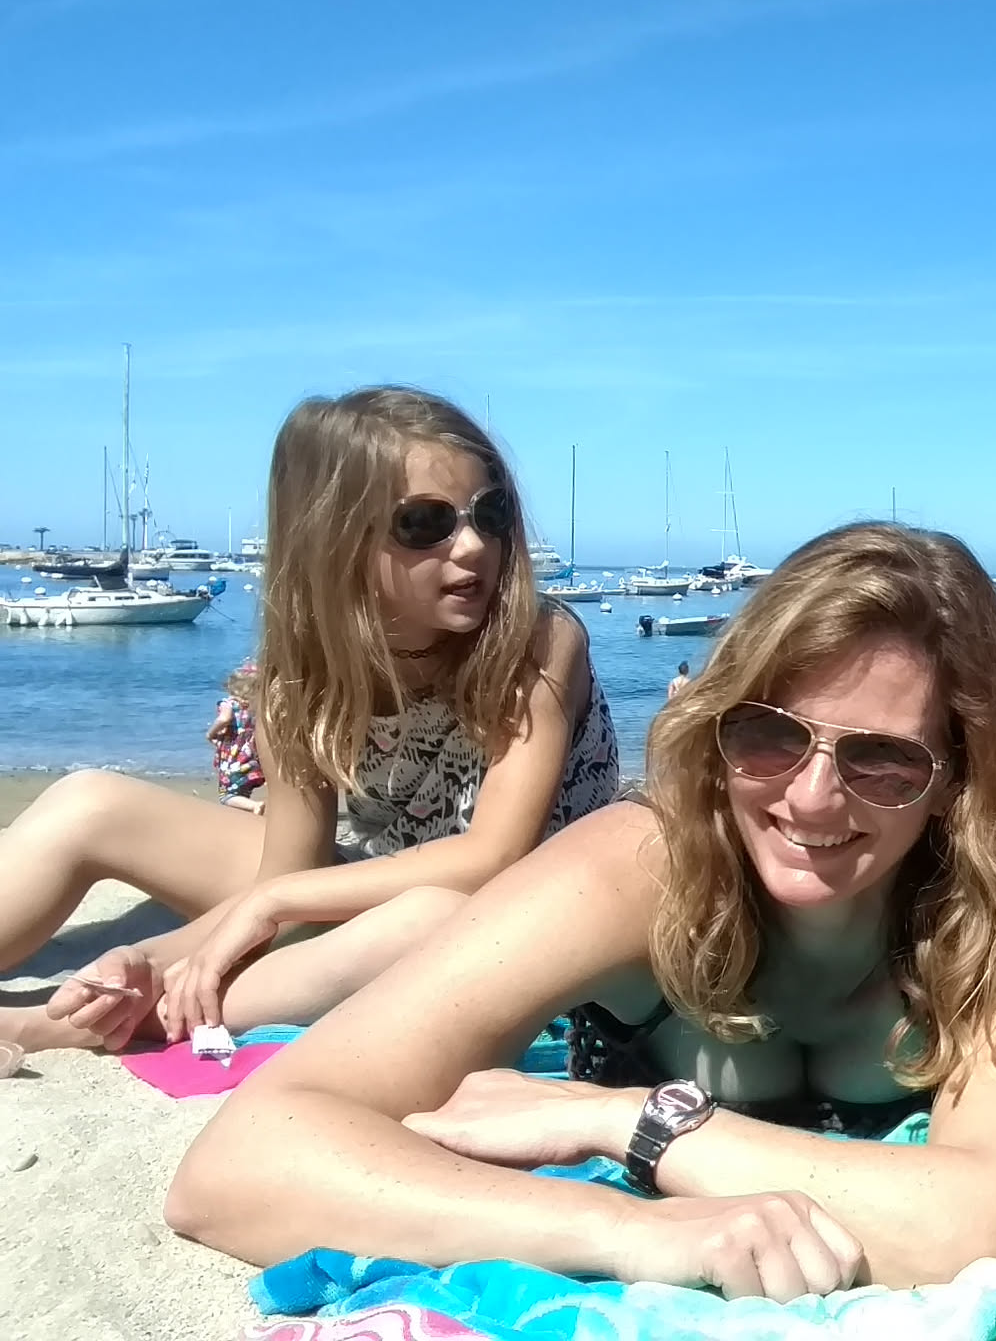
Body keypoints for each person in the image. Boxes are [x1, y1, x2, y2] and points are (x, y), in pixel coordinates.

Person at [167, 523, 996, 1298]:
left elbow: (971, 1225)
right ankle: (141, 975)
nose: (811, 799)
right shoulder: (642, 867)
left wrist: (625, 1121)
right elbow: (239, 1166)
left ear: (958, 774)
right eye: (768, 735)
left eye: (882, 759)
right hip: (429, 931)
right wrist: (625, 1230)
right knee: (225, 991)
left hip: (576, 1042)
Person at [3, 387, 620, 1056]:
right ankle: (132, 991)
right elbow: (288, 870)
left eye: (490, 514)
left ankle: (69, 1023)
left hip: (519, 912)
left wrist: (272, 905)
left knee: (426, 918)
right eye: (425, 523)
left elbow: (491, 859)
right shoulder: (296, 681)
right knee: (90, 802)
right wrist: (153, 955)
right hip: (375, 877)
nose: (473, 545)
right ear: (336, 539)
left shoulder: (537, 642)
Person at [206, 661, 265, 813]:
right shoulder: (255, 708)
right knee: (243, 790)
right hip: (252, 757)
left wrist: (210, 733)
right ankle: (247, 811)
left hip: (235, 758)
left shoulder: (228, 704)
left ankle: (254, 806)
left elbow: (224, 719)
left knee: (226, 795)